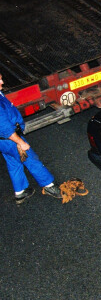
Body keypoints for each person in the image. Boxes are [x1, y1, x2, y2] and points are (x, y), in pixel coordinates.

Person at [0, 74, 61, 204]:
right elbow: (5, 129)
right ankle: (49, 186)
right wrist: (21, 142)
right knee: (31, 160)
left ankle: (20, 192)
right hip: (10, 140)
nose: (2, 81)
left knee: (13, 163)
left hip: (3, 142)